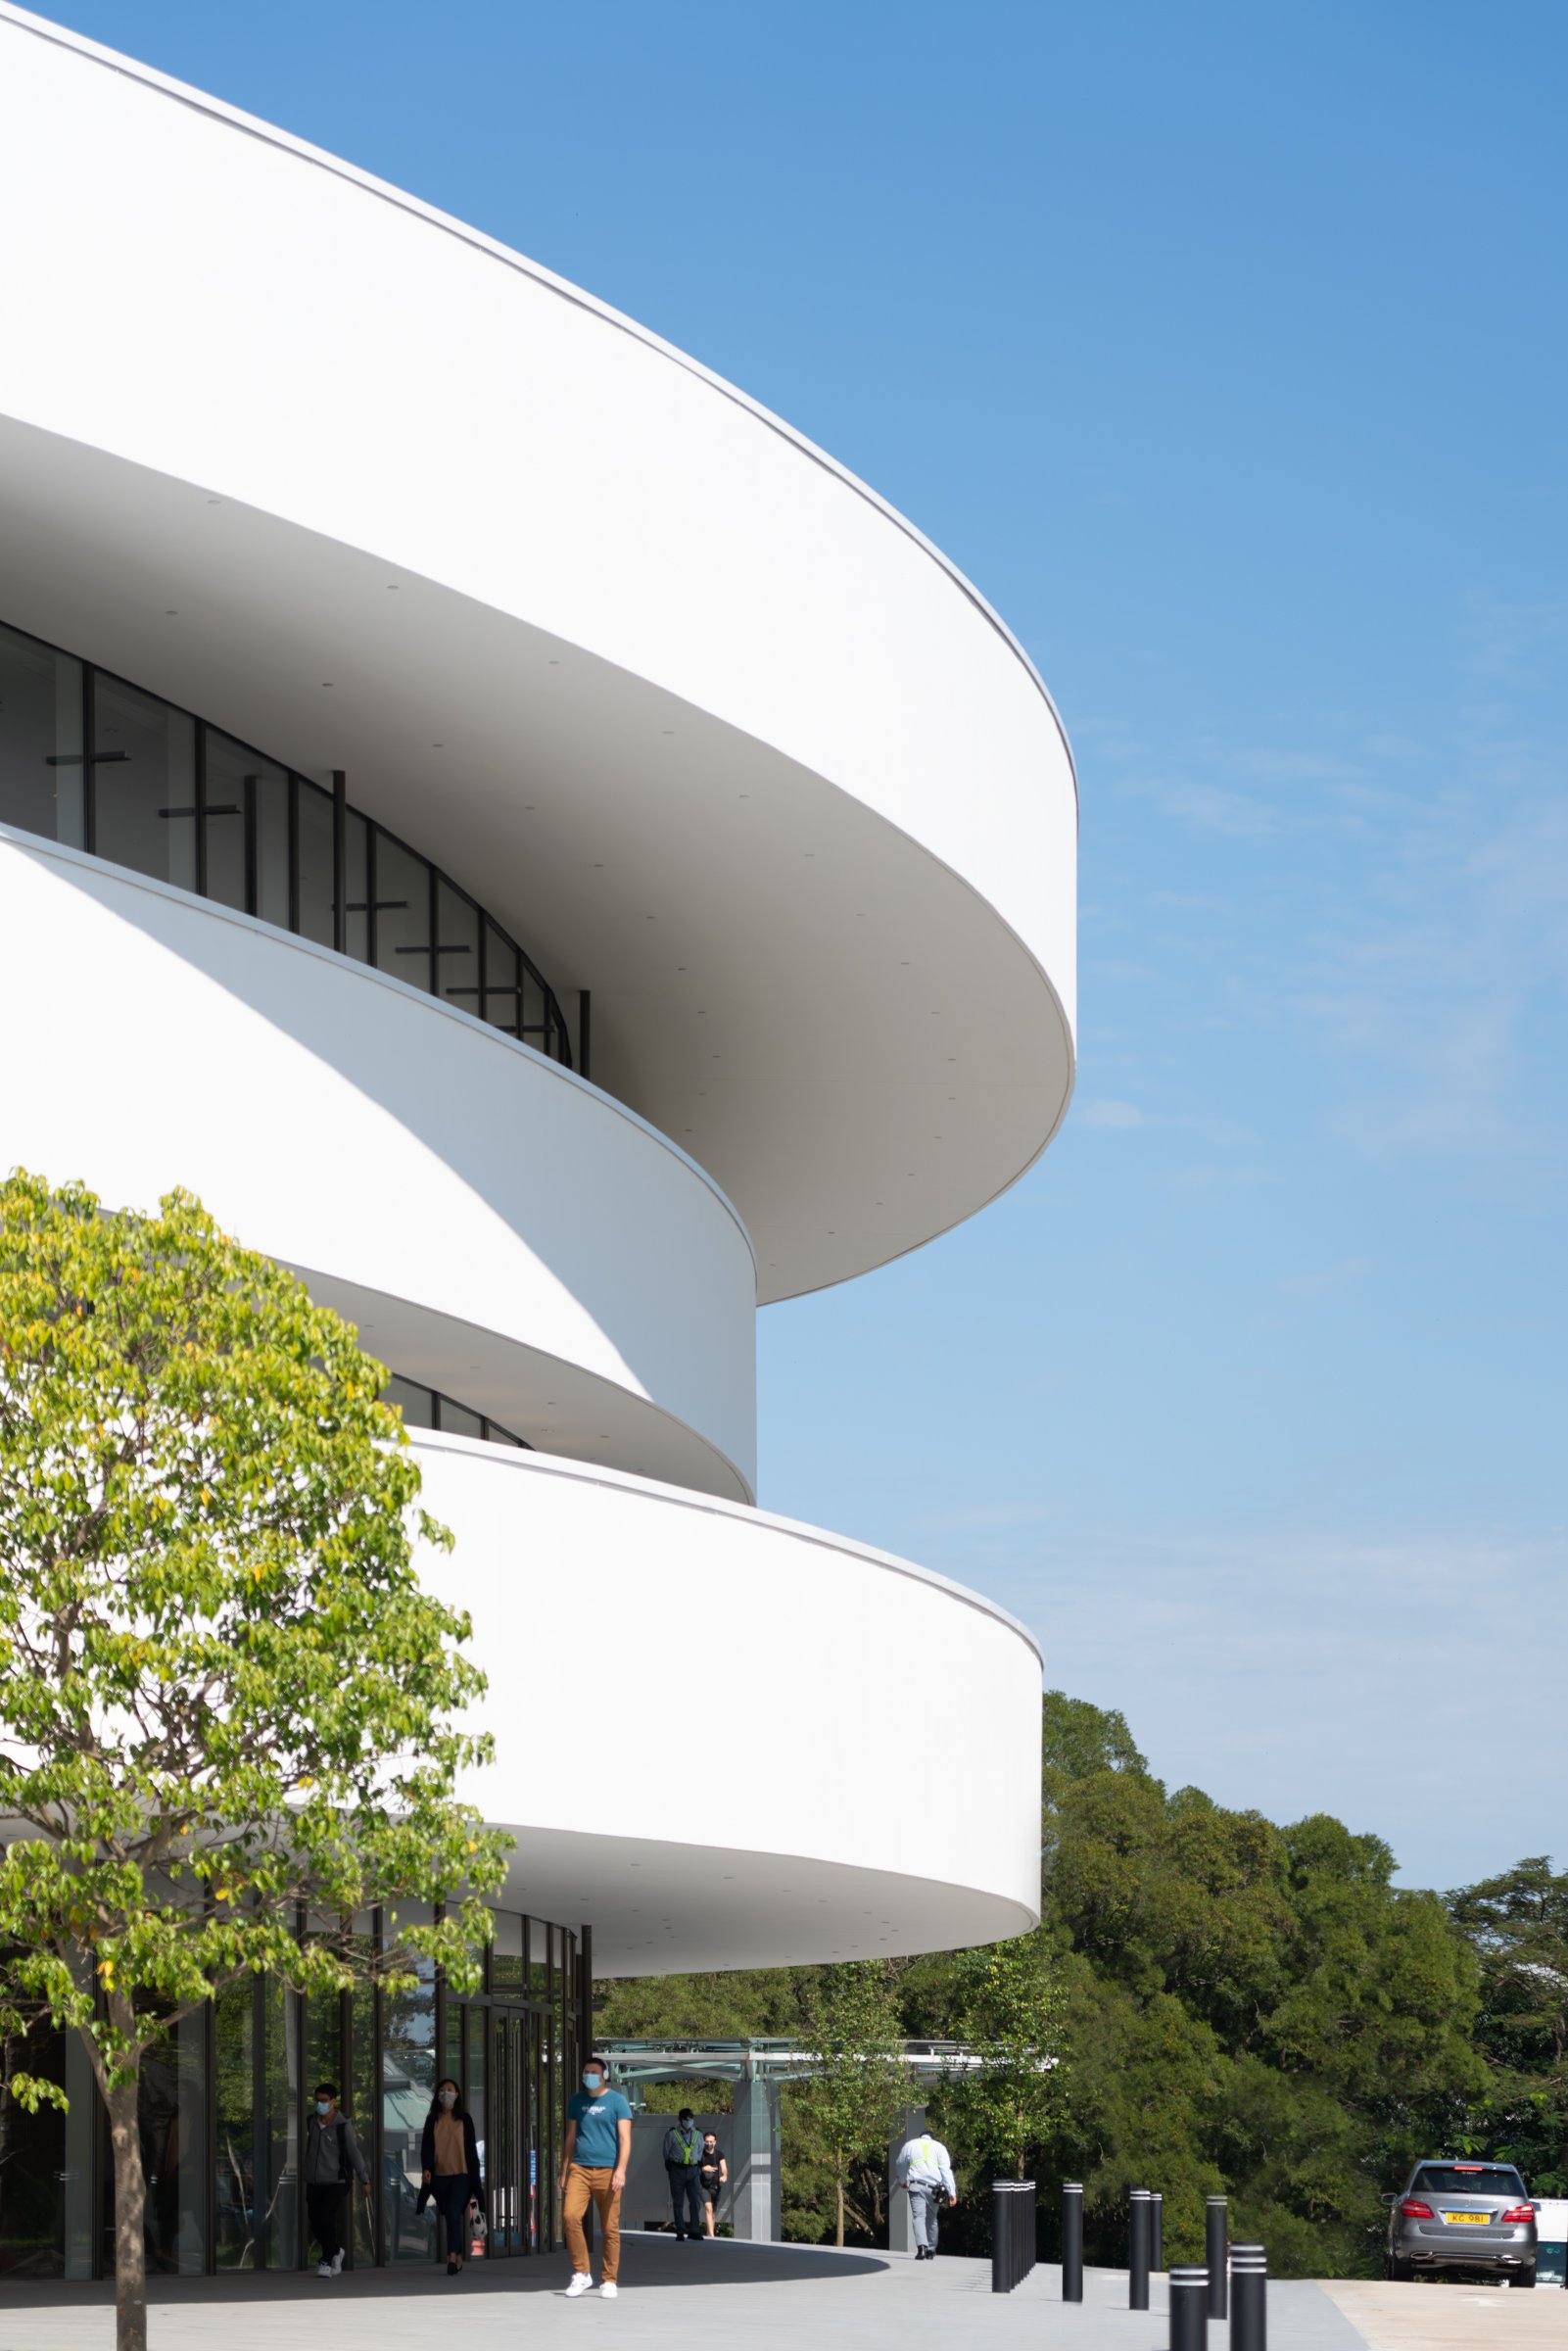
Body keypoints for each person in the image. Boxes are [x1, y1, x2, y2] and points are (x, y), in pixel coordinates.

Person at [559, 2056, 632, 2299]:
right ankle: (581, 2273)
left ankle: (609, 2279)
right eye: (585, 2071)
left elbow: (625, 2138)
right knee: (570, 2216)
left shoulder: (617, 2102)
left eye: (593, 2071)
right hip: (579, 2168)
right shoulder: (576, 2101)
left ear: (604, 2075)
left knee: (609, 2227)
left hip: (608, 2171)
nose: (588, 2075)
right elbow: (571, 2137)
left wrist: (621, 2169)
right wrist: (564, 2169)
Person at [305, 2081, 371, 2279]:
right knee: (315, 2222)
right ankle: (335, 2251)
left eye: (324, 2100)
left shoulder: (342, 2126)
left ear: (333, 2101)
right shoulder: (312, 2122)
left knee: (326, 2218)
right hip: (314, 2180)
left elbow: (354, 2153)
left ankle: (325, 2260)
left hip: (337, 2180)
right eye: (317, 2100)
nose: (320, 2104)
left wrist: (364, 2179)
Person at [418, 2077, 484, 2277]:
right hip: (439, 2176)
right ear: (438, 2095)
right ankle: (460, 2255)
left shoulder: (464, 2119)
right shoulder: (432, 2120)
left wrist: (475, 2178)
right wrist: (427, 2168)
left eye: (450, 2090)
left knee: (455, 2212)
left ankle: (452, 2257)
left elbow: (471, 2151)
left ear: (457, 2095)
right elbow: (426, 2147)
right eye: (443, 2090)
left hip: (462, 2175)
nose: (446, 2093)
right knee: (449, 2215)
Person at [894, 2126, 957, 2262]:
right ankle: (931, 2249)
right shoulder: (939, 2147)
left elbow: (900, 2162)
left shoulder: (910, 2145)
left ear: (921, 2137)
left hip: (916, 2185)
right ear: (932, 2138)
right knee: (932, 2219)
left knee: (918, 2217)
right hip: (934, 2189)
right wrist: (952, 2192)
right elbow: (946, 2171)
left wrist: (903, 2180)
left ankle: (921, 2248)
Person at [663, 2107, 705, 2240]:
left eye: (691, 2118)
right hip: (677, 2169)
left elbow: (700, 2150)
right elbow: (666, 2151)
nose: (689, 2121)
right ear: (680, 2120)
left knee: (695, 2201)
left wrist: (697, 2162)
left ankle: (694, 2230)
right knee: (678, 2202)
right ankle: (680, 2231)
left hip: (693, 2170)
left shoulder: (698, 2134)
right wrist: (670, 2165)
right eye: (686, 2118)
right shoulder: (672, 2134)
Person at [697, 2130, 728, 2237]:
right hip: (703, 2186)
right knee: (708, 2208)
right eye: (707, 2141)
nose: (709, 2144)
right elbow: (693, 2168)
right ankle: (712, 2235)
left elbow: (724, 2168)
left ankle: (708, 2234)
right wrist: (703, 2168)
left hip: (716, 2187)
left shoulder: (719, 2154)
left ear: (715, 2142)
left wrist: (724, 2176)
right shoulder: (699, 2154)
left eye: (711, 2141)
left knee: (713, 2213)